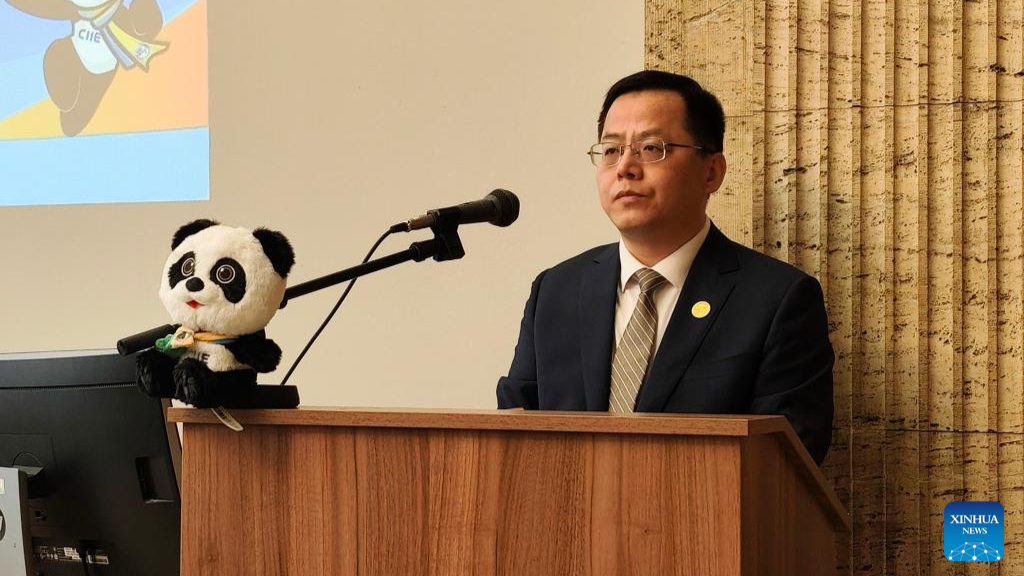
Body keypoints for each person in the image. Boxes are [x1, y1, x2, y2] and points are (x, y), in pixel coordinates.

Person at [496, 70, 835, 464]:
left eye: (650, 148)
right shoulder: (556, 290)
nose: (625, 167)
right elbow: (514, 436)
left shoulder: (776, 299)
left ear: (712, 171)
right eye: (611, 150)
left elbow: (786, 461)